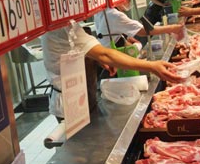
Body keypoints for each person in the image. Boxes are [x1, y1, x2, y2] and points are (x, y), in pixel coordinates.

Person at [41, 21, 181, 120]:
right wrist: (151, 66)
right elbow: (105, 54)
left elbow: (78, 50)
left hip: (82, 93)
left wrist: (98, 59)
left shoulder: (68, 25)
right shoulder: (62, 28)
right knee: (79, 149)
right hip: (69, 101)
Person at [94, 0, 183, 48]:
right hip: (112, 58)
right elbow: (145, 31)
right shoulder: (114, 15)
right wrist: (172, 28)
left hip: (109, 53)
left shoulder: (104, 10)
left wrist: (125, 39)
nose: (129, 1)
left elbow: (110, 32)